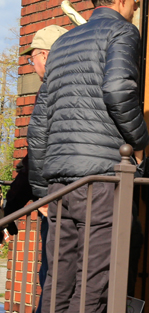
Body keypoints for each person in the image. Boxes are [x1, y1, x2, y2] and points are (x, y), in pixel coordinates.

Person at [28, 0, 149, 313]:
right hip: (100, 180)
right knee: (93, 284)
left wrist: (41, 191)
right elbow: (117, 89)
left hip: (61, 184)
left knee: (57, 283)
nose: (136, 7)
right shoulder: (122, 33)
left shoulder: (63, 42)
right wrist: (139, 138)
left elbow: (39, 126)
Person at [4, 25, 67, 313]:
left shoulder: (52, 89)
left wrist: (12, 209)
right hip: (83, 200)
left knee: (54, 278)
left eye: (33, 58)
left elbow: (36, 158)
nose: (33, 64)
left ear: (46, 55)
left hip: (58, 202)